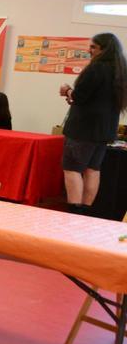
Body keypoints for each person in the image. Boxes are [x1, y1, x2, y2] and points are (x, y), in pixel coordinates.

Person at [59, 33, 127, 215]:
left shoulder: (96, 68)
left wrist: (67, 90)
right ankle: (86, 210)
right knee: (93, 169)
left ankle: (75, 211)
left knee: (72, 169)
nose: (89, 50)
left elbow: (80, 96)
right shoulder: (121, 70)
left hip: (83, 129)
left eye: (93, 47)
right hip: (105, 130)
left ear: (104, 49)